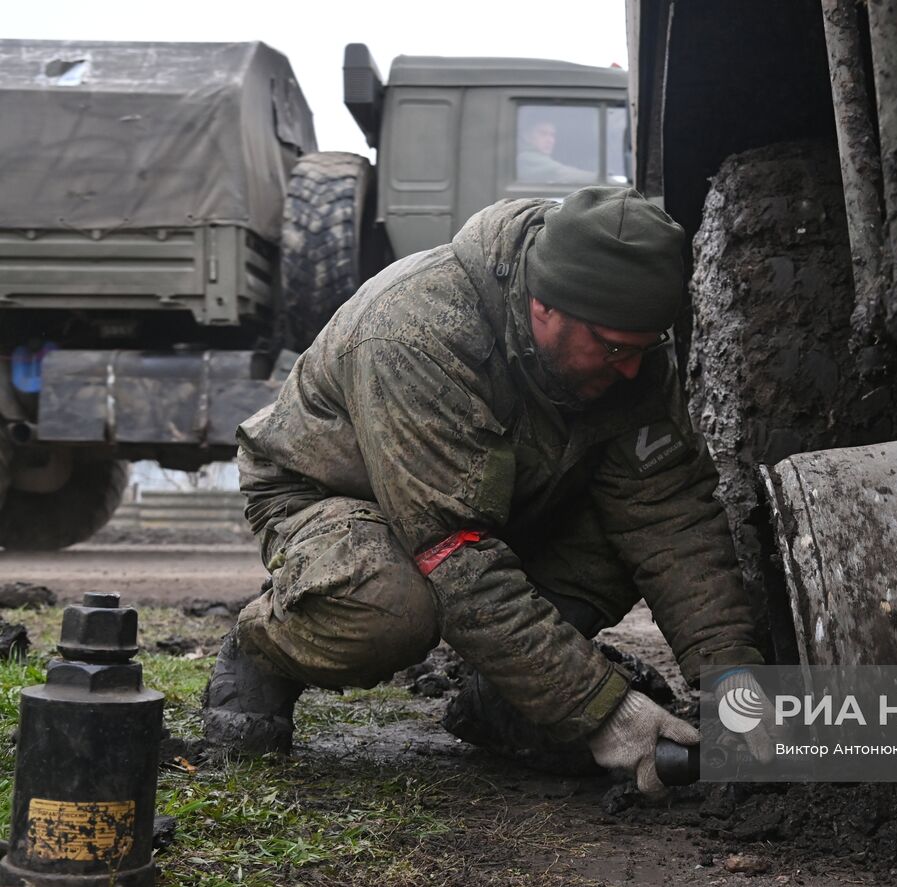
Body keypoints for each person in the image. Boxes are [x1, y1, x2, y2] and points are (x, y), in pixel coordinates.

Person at [203, 186, 772, 793]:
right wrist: (605, 712)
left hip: (501, 502)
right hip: (334, 495)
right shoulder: (416, 331)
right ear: (545, 307)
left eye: (644, 349)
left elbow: (673, 521)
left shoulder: (621, 348)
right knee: (390, 609)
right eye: (612, 349)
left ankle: (504, 698)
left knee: (624, 533)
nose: (632, 370)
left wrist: (735, 690)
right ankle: (263, 649)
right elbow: (457, 555)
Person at [516, 120, 597, 184]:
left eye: (552, 135)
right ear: (527, 136)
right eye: (543, 133)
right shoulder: (526, 157)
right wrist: (602, 178)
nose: (550, 140)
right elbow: (563, 173)